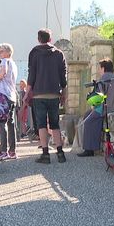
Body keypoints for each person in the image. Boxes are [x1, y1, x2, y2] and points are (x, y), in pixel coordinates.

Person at [28, 28, 68, 164]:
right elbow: (63, 75)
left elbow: (31, 74)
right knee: (55, 123)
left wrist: (27, 93)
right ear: (50, 39)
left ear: (39, 39)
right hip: (54, 93)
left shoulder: (34, 53)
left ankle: (45, 154)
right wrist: (64, 92)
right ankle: (60, 153)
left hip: (38, 93)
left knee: (42, 124)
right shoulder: (59, 53)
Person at [77, 58, 114, 157]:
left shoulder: (103, 79)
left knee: (88, 121)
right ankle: (90, 145)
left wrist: (94, 106)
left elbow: (98, 97)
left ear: (103, 68)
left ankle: (89, 149)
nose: (98, 70)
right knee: (87, 115)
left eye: (100, 68)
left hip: (104, 108)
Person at [0, 44, 18, 160]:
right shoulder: (13, 63)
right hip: (11, 95)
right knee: (11, 123)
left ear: (7, 52)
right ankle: (12, 151)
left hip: (4, 96)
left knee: (2, 123)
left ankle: (3, 151)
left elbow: (2, 73)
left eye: (1, 51)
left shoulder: (5, 61)